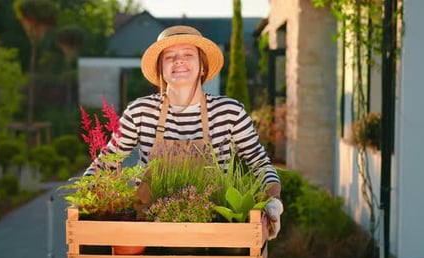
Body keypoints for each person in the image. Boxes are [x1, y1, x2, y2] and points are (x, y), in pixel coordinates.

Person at [85, 25, 283, 239]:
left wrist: (273, 202)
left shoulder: (228, 112)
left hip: (213, 237)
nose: (178, 60)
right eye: (169, 56)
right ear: (161, 68)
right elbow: (107, 161)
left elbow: (260, 163)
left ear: (203, 67)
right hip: (147, 235)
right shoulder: (141, 112)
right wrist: (85, 196)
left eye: (188, 54)